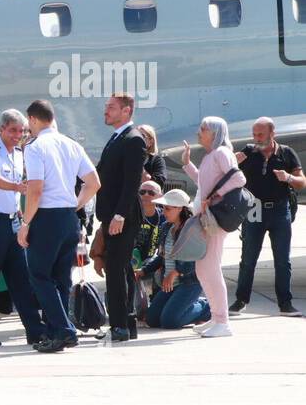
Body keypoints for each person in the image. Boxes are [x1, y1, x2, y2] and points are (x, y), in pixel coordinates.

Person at [17, 99, 101, 353]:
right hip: (67, 217)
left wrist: (25, 223)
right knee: (61, 278)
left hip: (46, 216)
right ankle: (57, 329)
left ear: (32, 120)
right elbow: (94, 182)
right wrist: (74, 205)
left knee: (40, 276)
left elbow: (35, 190)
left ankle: (64, 330)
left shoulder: (34, 147)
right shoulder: (72, 144)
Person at [0, 110, 47, 347]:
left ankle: (34, 330)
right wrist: (18, 187)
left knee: (20, 278)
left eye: (22, 131)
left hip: (12, 221)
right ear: (1, 129)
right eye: (13, 130)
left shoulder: (18, 154)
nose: (18, 135)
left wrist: (22, 217)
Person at [182, 116, 247, 338]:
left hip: (216, 219)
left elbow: (238, 179)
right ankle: (215, 317)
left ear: (215, 133)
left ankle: (223, 322)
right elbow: (205, 181)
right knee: (203, 269)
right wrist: (187, 164)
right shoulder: (212, 155)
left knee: (210, 268)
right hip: (207, 217)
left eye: (204, 129)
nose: (199, 132)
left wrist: (217, 195)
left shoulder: (221, 153)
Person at [231, 117, 303, 316]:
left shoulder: (286, 153)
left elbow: (302, 182)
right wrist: (233, 163)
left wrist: (288, 178)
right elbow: (228, 174)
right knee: (248, 258)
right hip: (255, 209)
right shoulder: (248, 151)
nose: (256, 138)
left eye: (260, 134)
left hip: (280, 211)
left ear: (273, 133)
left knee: (282, 260)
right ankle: (241, 300)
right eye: (254, 134)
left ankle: (285, 303)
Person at [94, 93, 148, 342]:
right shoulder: (117, 138)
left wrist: (119, 215)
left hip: (122, 217)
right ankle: (126, 323)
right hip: (113, 215)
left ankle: (119, 326)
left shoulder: (133, 139)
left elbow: (132, 182)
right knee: (122, 269)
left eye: (111, 108)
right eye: (106, 107)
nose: (106, 111)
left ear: (126, 111)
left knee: (115, 270)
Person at [141, 190, 212, 329]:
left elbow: (195, 258)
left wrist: (175, 272)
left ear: (180, 208)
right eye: (163, 208)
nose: (164, 212)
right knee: (152, 320)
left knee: (170, 322)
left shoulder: (192, 229)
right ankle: (186, 307)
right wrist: (144, 271)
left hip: (190, 283)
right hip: (170, 284)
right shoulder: (166, 227)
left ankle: (205, 308)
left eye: (167, 208)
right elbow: (162, 257)